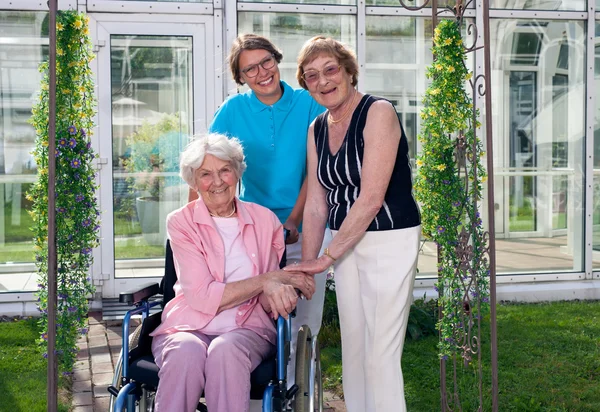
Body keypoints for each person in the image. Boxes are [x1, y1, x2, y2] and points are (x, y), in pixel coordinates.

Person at [190, 33, 332, 382]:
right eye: (249, 69)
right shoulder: (233, 110)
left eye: (265, 61)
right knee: (253, 311)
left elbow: (316, 171)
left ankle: (300, 386)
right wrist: (194, 223)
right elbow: (207, 167)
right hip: (250, 232)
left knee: (303, 319)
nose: (261, 72)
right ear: (240, 78)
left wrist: (295, 218)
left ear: (276, 58)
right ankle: (254, 386)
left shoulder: (308, 104)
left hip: (303, 224)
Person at [290, 36, 421, 412]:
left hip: (388, 238)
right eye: (311, 76)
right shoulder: (316, 127)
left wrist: (326, 256)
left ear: (349, 72)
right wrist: (309, 265)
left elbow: (371, 198)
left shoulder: (378, 111)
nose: (323, 81)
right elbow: (316, 203)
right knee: (355, 346)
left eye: (330, 69)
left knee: (381, 351)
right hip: (343, 243)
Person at [151, 133, 316, 412]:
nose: (216, 182)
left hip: (247, 330)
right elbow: (202, 297)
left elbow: (267, 300)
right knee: (184, 352)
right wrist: (269, 280)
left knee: (225, 351)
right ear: (193, 180)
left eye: (224, 171)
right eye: (205, 174)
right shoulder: (181, 223)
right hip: (187, 325)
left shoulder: (266, 221)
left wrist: (280, 291)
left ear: (237, 173)